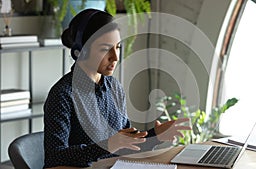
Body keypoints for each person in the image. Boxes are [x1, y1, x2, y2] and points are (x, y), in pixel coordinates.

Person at [43, 8, 191, 168]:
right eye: (106, 49)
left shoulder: (114, 87)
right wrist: (107, 145)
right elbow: (54, 158)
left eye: (118, 47)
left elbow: (126, 147)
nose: (115, 57)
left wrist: (156, 136)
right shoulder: (62, 95)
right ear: (81, 51)